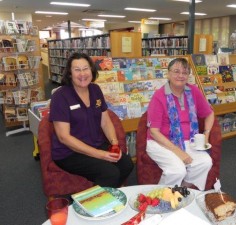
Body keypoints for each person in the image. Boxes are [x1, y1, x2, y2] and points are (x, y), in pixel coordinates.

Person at [49, 52, 134, 188]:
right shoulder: (60, 97)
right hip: (69, 153)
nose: (82, 74)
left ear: (91, 70)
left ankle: (107, 194)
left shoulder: (95, 90)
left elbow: (105, 121)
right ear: (70, 74)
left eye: (85, 68)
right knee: (109, 173)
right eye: (77, 70)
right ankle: (93, 203)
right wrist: (100, 154)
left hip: (95, 144)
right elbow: (63, 137)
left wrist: (114, 143)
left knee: (127, 163)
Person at [146, 57, 215, 191]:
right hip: (161, 142)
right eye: (176, 71)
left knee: (205, 162)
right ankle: (160, 197)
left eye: (184, 72)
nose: (180, 75)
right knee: (177, 170)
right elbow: (154, 132)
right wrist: (178, 152)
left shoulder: (193, 91)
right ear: (168, 73)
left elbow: (209, 113)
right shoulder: (158, 96)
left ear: (188, 75)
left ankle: (182, 190)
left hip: (188, 140)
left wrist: (206, 134)